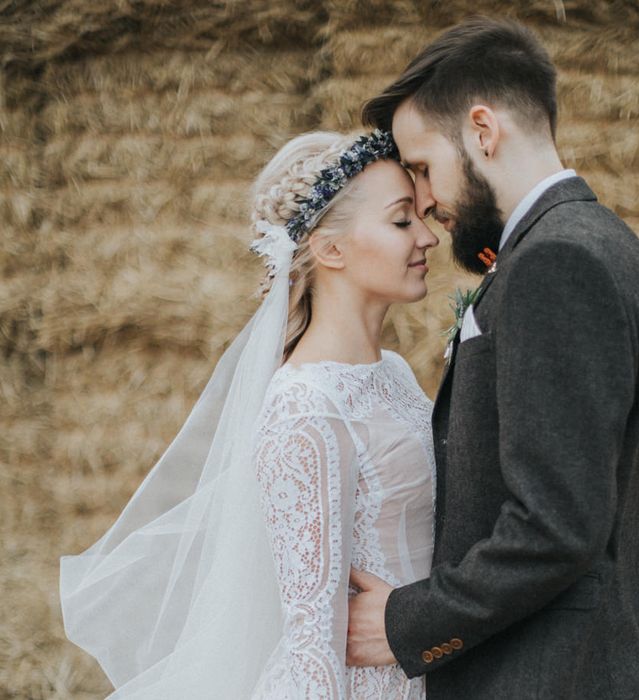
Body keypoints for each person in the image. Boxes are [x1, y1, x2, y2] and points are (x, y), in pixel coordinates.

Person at [346, 17, 639, 700]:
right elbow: (634, 478)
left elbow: (556, 524)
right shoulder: (612, 245)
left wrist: (409, 624)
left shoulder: (551, 264)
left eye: (422, 167)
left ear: (483, 131)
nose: (425, 199)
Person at [60, 129, 439, 698]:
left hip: (421, 662)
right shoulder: (304, 408)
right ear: (329, 249)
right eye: (402, 220)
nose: (429, 237)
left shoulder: (396, 374)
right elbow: (313, 639)